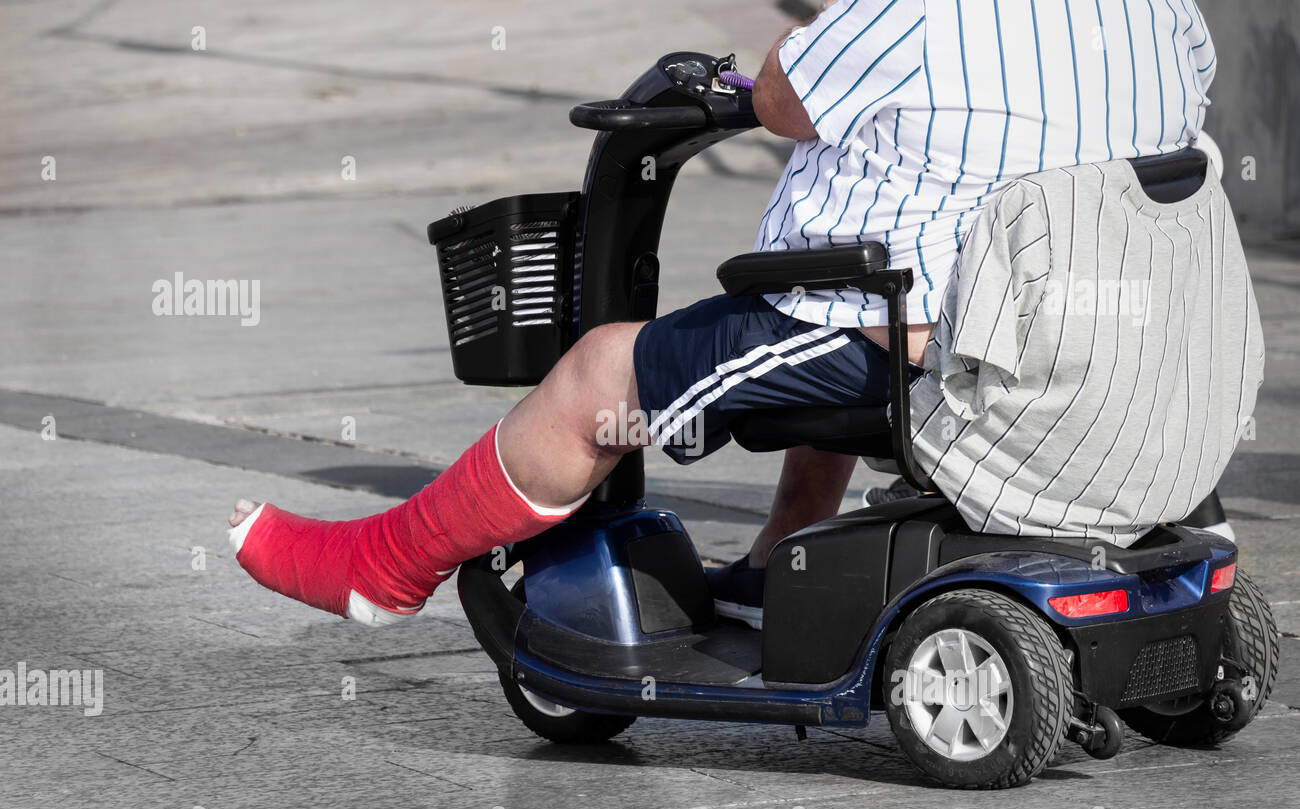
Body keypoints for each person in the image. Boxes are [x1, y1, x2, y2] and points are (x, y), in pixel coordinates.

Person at [229, 0, 1219, 628]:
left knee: (602, 372)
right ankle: (771, 558)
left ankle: (385, 567)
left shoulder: (919, 10)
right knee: (818, 280)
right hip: (1108, 338)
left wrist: (802, 43)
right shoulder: (1160, 7)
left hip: (928, 343)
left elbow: (785, 97)